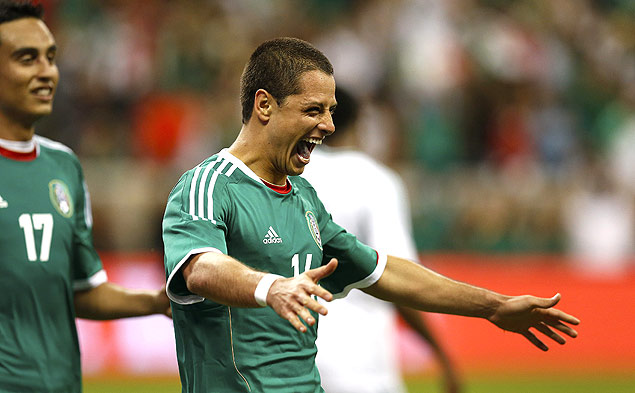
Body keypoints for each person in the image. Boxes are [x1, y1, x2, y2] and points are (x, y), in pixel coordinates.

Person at [162, 36, 580, 393]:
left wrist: (492, 306)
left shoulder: (304, 197)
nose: (327, 125)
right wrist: (271, 287)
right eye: (313, 110)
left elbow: (382, 271)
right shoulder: (209, 185)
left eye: (331, 111)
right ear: (265, 105)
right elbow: (201, 267)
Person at [0, 2, 170, 392]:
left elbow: (82, 290)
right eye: (27, 59)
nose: (47, 72)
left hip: (61, 383)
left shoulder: (64, 168)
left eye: (51, 58)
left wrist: (158, 302)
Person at [303, 87, 460, 393]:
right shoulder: (375, 180)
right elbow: (399, 279)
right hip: (360, 364)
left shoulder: (286, 175)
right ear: (358, 123)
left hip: (289, 359)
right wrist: (440, 353)